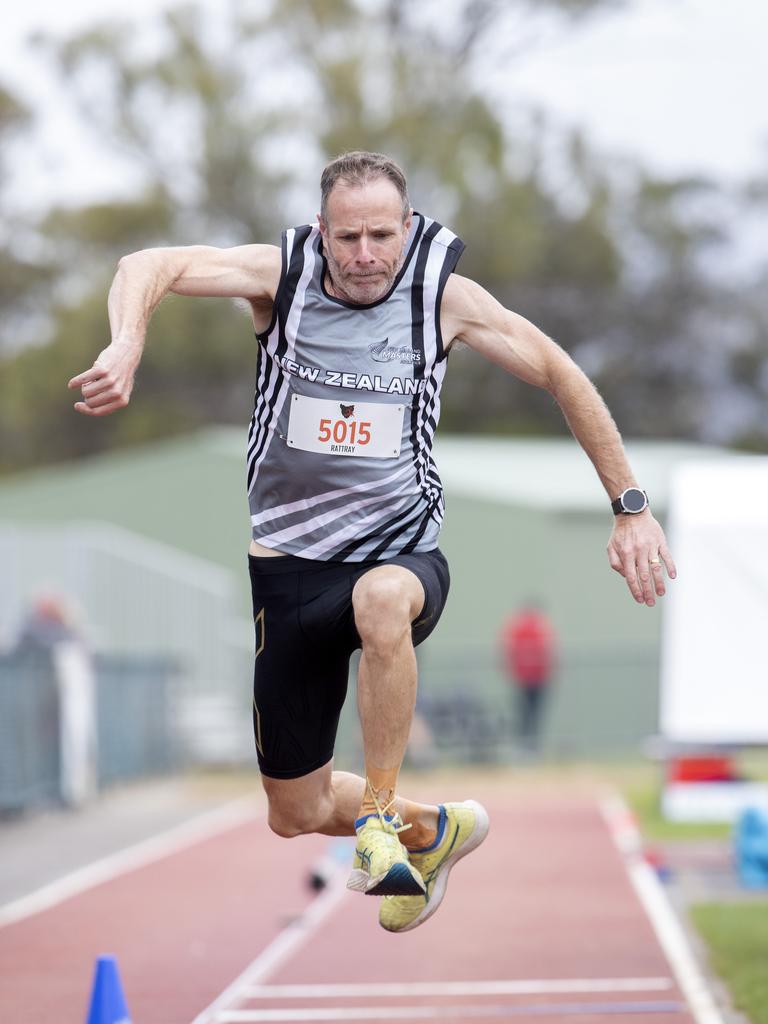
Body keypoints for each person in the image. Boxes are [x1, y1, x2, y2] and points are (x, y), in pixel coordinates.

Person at [67, 150, 676, 933]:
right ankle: (436, 830)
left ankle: (382, 822)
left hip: (399, 550)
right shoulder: (280, 276)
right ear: (322, 231)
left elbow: (558, 370)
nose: (364, 256)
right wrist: (126, 343)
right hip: (288, 568)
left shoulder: (441, 297)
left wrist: (629, 506)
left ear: (408, 226)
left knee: (382, 599)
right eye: (347, 237)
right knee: (296, 810)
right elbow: (147, 262)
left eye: (380, 235)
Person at [500, 603, 557, 751]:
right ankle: (526, 745)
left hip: (536, 678)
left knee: (530, 713)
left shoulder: (534, 628)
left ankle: (530, 745)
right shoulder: (534, 628)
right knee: (526, 713)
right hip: (525, 678)